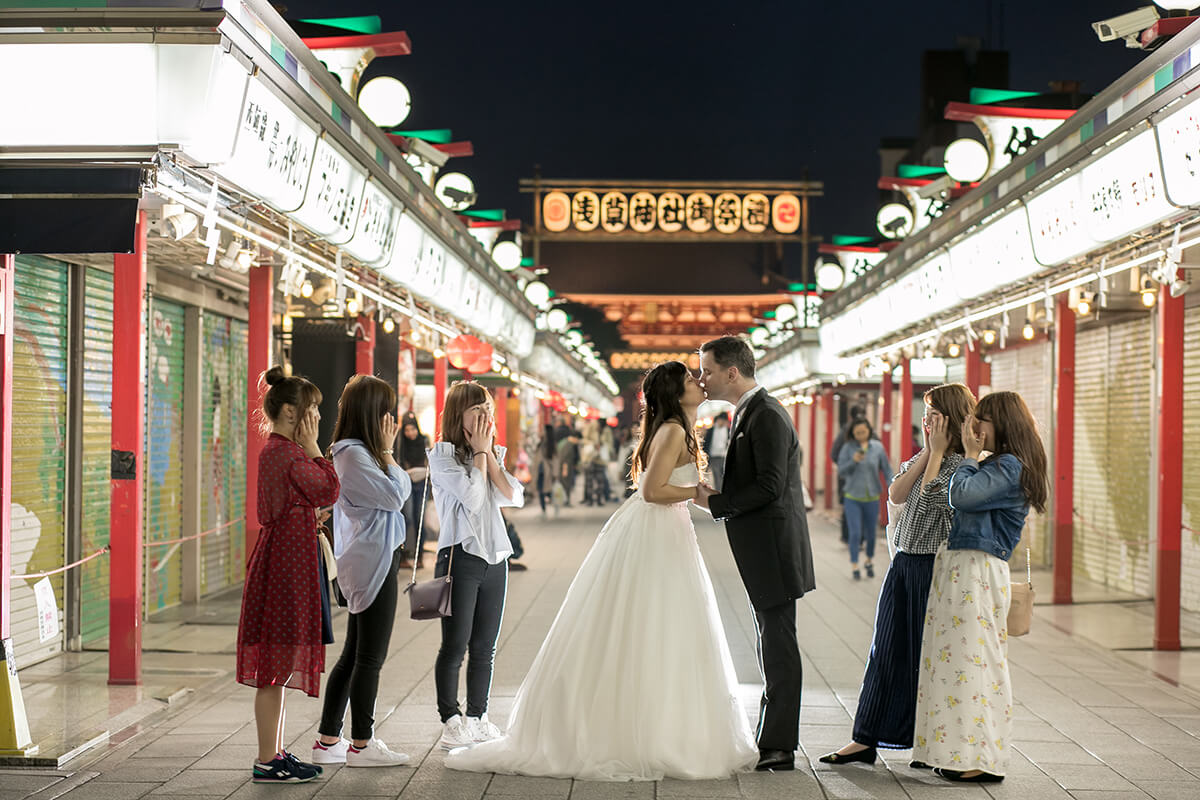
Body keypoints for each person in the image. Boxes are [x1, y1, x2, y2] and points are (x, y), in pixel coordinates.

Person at [445, 361, 756, 780]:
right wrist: (699, 495)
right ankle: (648, 731)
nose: (698, 383)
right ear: (673, 392)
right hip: (658, 530)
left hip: (665, 531)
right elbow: (652, 491)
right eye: (689, 380)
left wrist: (700, 499)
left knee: (659, 624)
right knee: (656, 621)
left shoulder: (675, 428)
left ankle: (654, 725)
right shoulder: (673, 431)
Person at [819, 382, 976, 768]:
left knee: (930, 659)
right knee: (885, 651)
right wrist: (928, 452)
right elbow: (897, 494)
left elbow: (928, 500)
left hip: (935, 572)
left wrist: (937, 454)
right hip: (904, 565)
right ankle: (865, 737)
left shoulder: (967, 467)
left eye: (934, 415)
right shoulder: (924, 457)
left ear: (951, 419)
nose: (926, 421)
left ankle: (930, 744)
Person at [912, 391, 1048, 783]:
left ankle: (982, 757)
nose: (974, 427)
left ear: (1002, 424)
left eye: (982, 420)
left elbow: (961, 495)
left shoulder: (1008, 467)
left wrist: (968, 456)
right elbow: (941, 494)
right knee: (954, 664)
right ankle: (956, 751)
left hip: (977, 570)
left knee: (975, 663)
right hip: (961, 568)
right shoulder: (997, 464)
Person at [695, 336, 816, 773]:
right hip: (766, 548)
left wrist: (715, 502)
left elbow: (769, 485)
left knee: (779, 645)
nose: (701, 378)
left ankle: (780, 745)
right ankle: (773, 738)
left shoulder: (765, 415)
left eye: (707, 370)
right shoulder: (749, 412)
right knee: (771, 642)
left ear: (732, 372)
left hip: (775, 550)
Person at [236, 367, 339, 784]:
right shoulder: (288, 453)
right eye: (312, 410)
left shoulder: (280, 451)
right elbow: (329, 488)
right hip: (284, 567)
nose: (316, 418)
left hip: (286, 562)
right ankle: (266, 759)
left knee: (276, 667)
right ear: (292, 412)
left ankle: (275, 753)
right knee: (273, 668)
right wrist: (315, 446)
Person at [311, 376, 412, 768]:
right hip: (371, 562)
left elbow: (394, 492)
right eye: (386, 411)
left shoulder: (357, 453)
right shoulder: (354, 455)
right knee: (371, 656)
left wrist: (386, 457)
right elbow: (395, 495)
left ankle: (328, 739)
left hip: (371, 556)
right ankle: (362, 744)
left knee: (354, 654)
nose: (391, 419)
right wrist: (388, 453)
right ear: (372, 414)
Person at [430, 382, 525, 751]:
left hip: (495, 558)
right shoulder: (441, 456)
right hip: (460, 557)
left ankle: (478, 717)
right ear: (458, 414)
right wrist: (480, 455)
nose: (486, 415)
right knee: (455, 645)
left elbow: (513, 496)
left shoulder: (491, 452)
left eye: (488, 407)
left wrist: (487, 454)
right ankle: (450, 720)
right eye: (477, 409)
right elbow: (471, 497)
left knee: (486, 645)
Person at [836, 419, 893, 580]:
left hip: (872, 496)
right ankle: (854, 564)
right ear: (853, 434)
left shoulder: (877, 448)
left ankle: (868, 560)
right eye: (857, 433)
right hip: (852, 496)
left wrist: (893, 487)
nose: (860, 435)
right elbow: (841, 470)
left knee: (871, 533)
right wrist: (853, 461)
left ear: (869, 431)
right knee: (855, 533)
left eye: (863, 432)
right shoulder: (848, 448)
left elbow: (886, 469)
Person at [397, 412, 430, 570]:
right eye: (407, 429)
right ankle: (402, 556)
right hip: (406, 483)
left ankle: (419, 556)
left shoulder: (424, 440)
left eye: (413, 429)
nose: (410, 432)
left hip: (422, 482)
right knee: (407, 518)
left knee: (419, 519)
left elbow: (430, 462)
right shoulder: (400, 443)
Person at [830, 406, 867, 544]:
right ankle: (857, 537)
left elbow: (834, 454)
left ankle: (848, 536)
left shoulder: (844, 432)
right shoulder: (869, 433)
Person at [534, 424, 558, 515]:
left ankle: (554, 503)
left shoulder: (551, 444)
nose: (541, 432)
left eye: (543, 430)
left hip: (548, 471)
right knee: (541, 490)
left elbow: (556, 459)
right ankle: (543, 507)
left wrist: (555, 473)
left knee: (549, 490)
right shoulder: (541, 443)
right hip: (540, 471)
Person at [703, 412, 731, 490]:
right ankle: (719, 491)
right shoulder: (711, 430)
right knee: (716, 475)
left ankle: (725, 490)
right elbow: (706, 443)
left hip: (724, 456)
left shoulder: (729, 430)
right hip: (714, 456)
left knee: (725, 475)